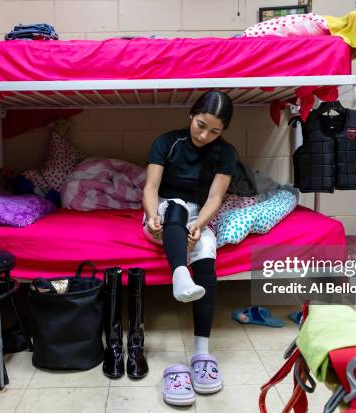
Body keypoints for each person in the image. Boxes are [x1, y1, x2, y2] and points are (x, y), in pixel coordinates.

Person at [142, 90, 237, 403]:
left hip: (200, 214)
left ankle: (202, 354)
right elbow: (151, 188)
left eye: (214, 131)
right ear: (191, 116)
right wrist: (151, 214)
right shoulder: (167, 142)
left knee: (207, 257)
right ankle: (180, 274)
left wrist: (200, 225)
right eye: (200, 125)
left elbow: (215, 198)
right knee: (176, 209)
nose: (205, 135)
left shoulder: (225, 153)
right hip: (164, 211)